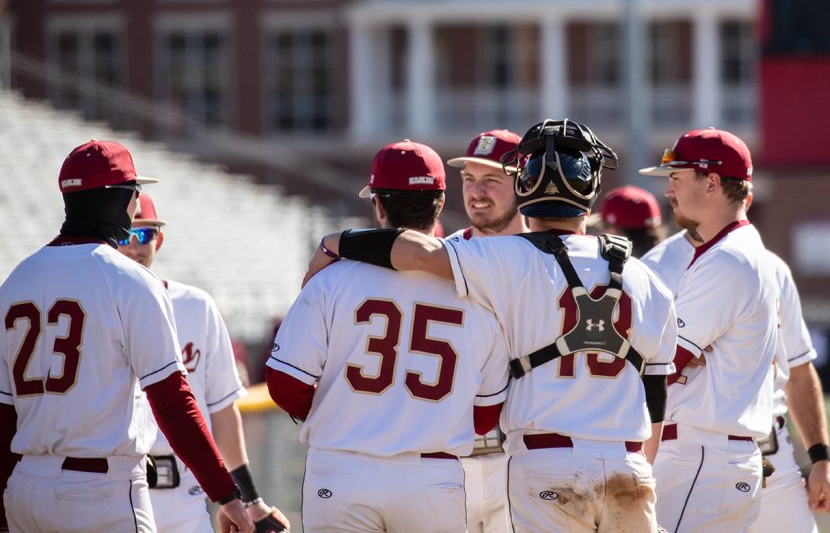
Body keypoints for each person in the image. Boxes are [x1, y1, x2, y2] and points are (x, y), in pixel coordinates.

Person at [309, 119, 678, 533]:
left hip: (546, 464)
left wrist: (335, 241)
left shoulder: (504, 258)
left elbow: (415, 251)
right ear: (590, 195)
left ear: (524, 191)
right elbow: (656, 396)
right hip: (629, 465)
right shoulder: (648, 278)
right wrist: (638, 470)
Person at [0, 140, 252, 533]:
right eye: (134, 192)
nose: (136, 204)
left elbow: (3, 415)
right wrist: (227, 494)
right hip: (100, 490)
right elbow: (173, 404)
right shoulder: (131, 281)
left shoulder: (16, 281)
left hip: (26, 489)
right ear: (118, 199)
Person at [266, 140, 510, 533]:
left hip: (343, 465)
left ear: (378, 204)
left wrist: (341, 410)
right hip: (435, 473)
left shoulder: (331, 279)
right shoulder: (480, 289)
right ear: (440, 200)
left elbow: (284, 385)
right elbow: (484, 415)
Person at [644, 221, 830, 532]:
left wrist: (821, 459)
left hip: (770, 453)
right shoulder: (656, 265)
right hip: (688, 448)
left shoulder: (768, 267)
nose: (672, 190)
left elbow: (800, 372)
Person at [118, 192, 288, 533]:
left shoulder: (195, 306)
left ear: (159, 240)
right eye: (125, 235)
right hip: (116, 488)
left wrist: (250, 500)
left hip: (186, 493)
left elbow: (223, 412)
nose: (134, 245)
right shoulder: (94, 309)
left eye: (144, 234)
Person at [637, 127, 779, 532]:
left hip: (705, 456)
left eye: (677, 178)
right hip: (704, 454)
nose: (669, 191)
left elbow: (660, 363)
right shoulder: (720, 253)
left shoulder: (731, 260)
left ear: (712, 182)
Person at [445, 129, 527, 533]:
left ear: (523, 183)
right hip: (449, 458)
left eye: (492, 180)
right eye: (468, 180)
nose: (477, 192)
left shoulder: (549, 258)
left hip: (521, 456)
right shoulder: (443, 255)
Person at [592, 185, 665, 255]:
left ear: (620, 232)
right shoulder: (669, 259)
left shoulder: (614, 266)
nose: (601, 233)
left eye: (604, 225)